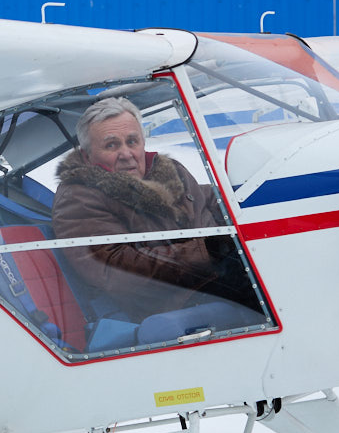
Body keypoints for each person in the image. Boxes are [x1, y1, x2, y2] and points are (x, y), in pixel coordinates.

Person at [51, 97, 257, 327]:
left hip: (220, 271)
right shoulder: (79, 198)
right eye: (112, 145)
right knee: (267, 280)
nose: (127, 153)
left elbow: (212, 200)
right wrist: (208, 250)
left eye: (132, 141)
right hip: (174, 297)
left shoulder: (169, 172)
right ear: (87, 155)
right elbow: (113, 269)